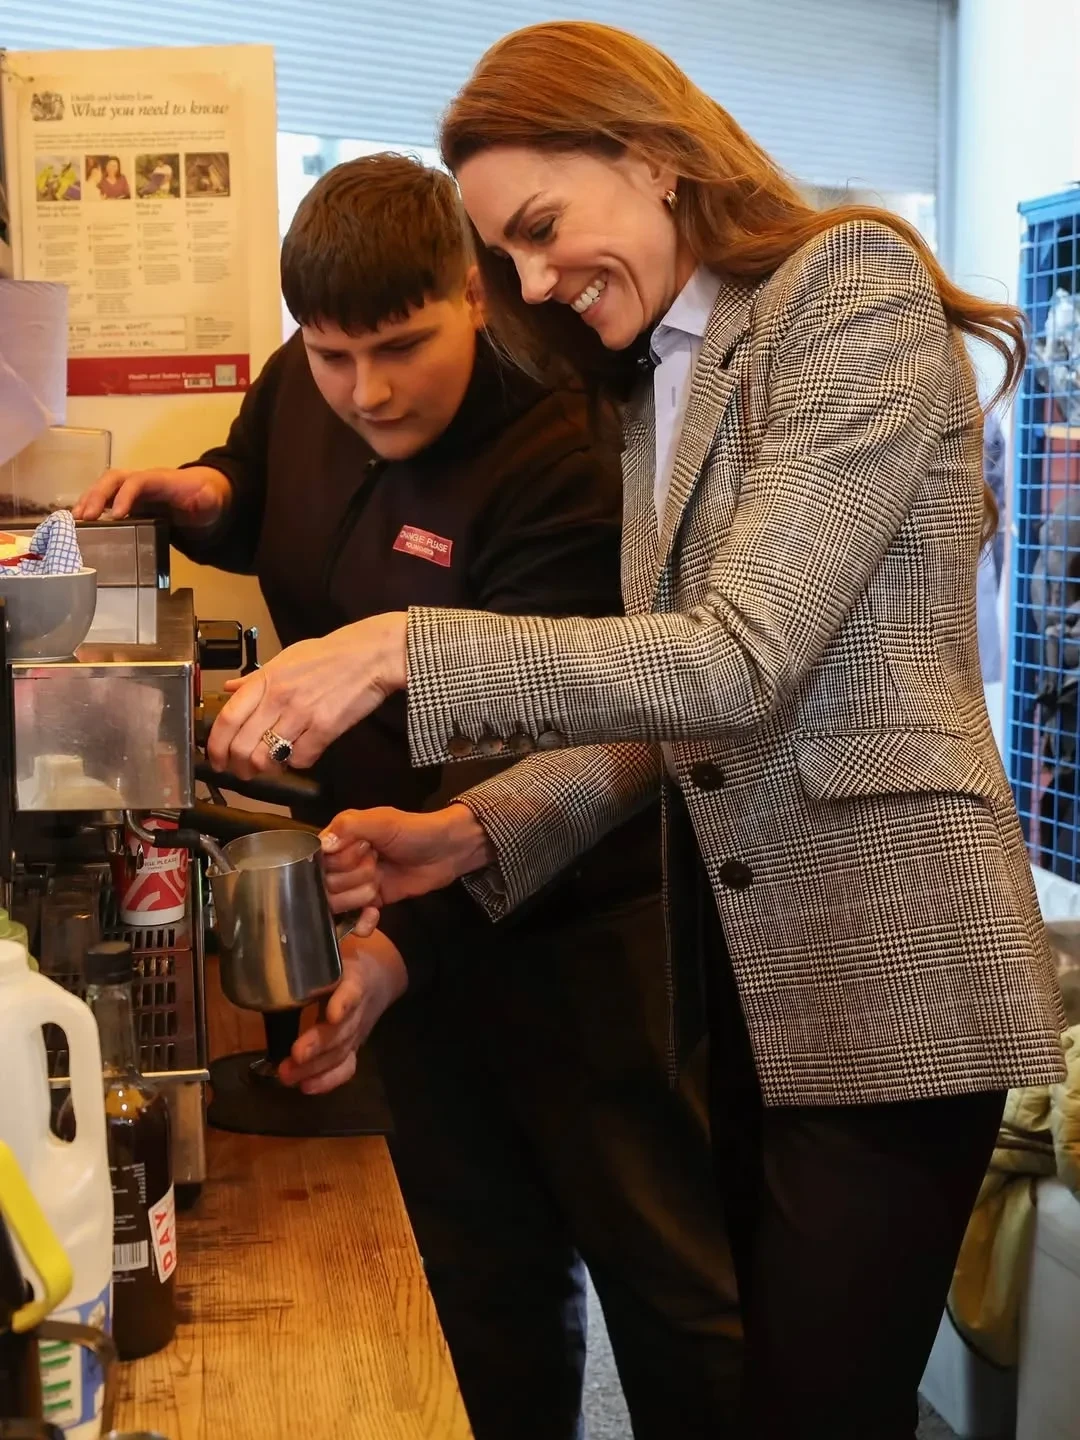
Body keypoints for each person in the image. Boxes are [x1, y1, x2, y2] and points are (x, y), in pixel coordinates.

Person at [205, 23, 1068, 1440]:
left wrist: (402, 648)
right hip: (745, 975)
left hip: (889, 967)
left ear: (654, 156)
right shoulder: (656, 373)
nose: (536, 281)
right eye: (508, 255)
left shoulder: (847, 288)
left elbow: (741, 657)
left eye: (543, 230)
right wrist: (473, 831)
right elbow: (679, 726)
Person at [76, 152, 740, 1440]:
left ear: (474, 294)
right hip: (391, 891)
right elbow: (260, 489)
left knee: (665, 1284)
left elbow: (538, 766)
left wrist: (397, 951)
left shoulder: (561, 452)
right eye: (334, 356)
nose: (367, 391)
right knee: (479, 1268)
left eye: (400, 348)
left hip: (572, 917)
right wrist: (198, 495)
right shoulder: (306, 378)